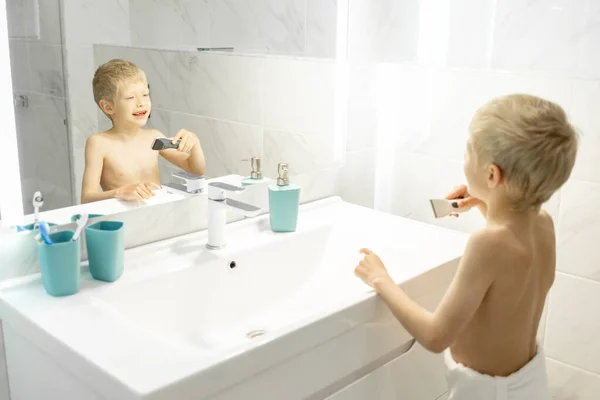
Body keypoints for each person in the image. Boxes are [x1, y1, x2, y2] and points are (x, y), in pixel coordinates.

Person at [355, 94, 578, 399]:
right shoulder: (542, 224)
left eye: (468, 155)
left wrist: (380, 279)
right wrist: (487, 203)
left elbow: (435, 337)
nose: (464, 163)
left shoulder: (486, 244)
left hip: (488, 392)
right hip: (530, 382)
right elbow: (511, 254)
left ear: (491, 175)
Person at [81, 59, 205, 203]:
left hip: (156, 215)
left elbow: (196, 169)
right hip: (125, 219)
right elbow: (87, 198)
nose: (141, 102)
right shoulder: (99, 143)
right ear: (108, 107)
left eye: (145, 94)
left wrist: (195, 144)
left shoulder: (153, 137)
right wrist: (119, 192)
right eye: (130, 97)